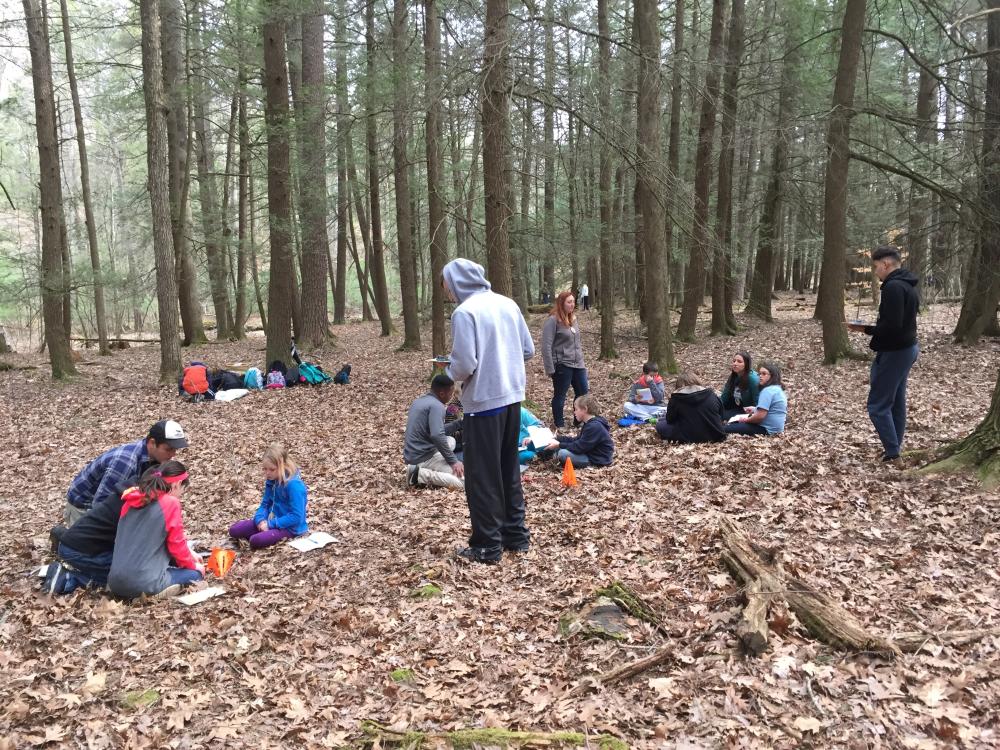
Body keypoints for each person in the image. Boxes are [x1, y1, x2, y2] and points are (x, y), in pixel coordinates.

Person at [443, 257, 535, 565]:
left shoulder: (464, 312)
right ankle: (516, 536)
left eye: (445, 282)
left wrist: (449, 368)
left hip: (483, 403)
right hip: (512, 399)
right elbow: (528, 350)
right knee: (508, 468)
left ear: (457, 282)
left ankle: (487, 545)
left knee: (482, 476)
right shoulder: (507, 304)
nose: (444, 288)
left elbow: (465, 364)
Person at [847, 245, 920, 461]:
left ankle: (893, 452)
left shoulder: (894, 287)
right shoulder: (907, 285)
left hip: (896, 351)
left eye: (877, 266)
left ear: (886, 264)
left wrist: (865, 329)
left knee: (877, 405)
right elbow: (898, 322)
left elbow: (893, 326)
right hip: (906, 348)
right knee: (896, 400)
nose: (876, 271)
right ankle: (894, 447)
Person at [63, 419, 189, 527]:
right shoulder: (125, 461)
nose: (173, 454)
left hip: (108, 503)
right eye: (168, 449)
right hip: (83, 507)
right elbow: (101, 505)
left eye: (175, 450)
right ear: (152, 443)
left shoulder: (155, 458)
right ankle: (61, 537)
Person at [107, 461, 204, 599]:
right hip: (144, 583)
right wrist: (193, 566)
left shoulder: (130, 501)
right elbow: (176, 545)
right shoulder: (170, 503)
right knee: (196, 575)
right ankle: (152, 593)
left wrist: (190, 553)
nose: (180, 496)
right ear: (176, 484)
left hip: (115, 583)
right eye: (181, 491)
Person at [229, 444, 309, 548]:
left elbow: (296, 516)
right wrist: (260, 519)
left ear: (283, 466)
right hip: (270, 520)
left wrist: (270, 525)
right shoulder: (272, 480)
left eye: (271, 469)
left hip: (289, 528)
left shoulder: (294, 486)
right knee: (234, 530)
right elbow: (265, 504)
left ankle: (265, 536)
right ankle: (264, 534)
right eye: (265, 469)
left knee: (255, 541)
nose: (267, 473)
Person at [402, 375, 465, 489]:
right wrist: (454, 462)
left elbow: (437, 431)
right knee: (465, 481)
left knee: (450, 440)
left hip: (412, 454)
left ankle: (422, 468)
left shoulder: (419, 401)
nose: (451, 396)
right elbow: (437, 435)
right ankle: (418, 474)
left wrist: (459, 423)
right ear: (442, 393)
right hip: (422, 457)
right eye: (450, 393)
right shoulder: (437, 406)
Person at [541, 291, 589, 428]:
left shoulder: (573, 319)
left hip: (578, 363)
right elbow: (546, 346)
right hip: (562, 364)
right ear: (561, 303)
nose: (572, 304)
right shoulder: (553, 320)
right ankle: (559, 424)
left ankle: (578, 421)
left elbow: (577, 342)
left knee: (583, 392)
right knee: (560, 395)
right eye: (569, 302)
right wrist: (550, 368)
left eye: (573, 301)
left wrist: (581, 360)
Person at [541, 395, 614, 468]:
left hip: (597, 459)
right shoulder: (589, 423)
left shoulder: (594, 426)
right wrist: (558, 438)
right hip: (589, 453)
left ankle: (553, 455)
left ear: (585, 409)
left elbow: (579, 447)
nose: (574, 412)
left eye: (576, 409)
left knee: (563, 453)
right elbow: (577, 440)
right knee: (557, 444)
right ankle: (545, 455)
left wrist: (559, 445)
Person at [655, 372, 726, 444]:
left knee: (660, 425)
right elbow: (721, 415)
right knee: (662, 420)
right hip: (715, 435)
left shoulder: (676, 398)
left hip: (688, 436)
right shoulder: (711, 395)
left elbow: (670, 419)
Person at [724, 362, 787, 437]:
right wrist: (754, 409)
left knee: (726, 428)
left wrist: (745, 420)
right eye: (759, 374)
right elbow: (772, 410)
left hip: (766, 429)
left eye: (764, 374)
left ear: (772, 376)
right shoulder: (777, 389)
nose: (760, 376)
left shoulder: (767, 391)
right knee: (734, 422)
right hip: (777, 429)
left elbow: (760, 417)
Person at [720, 351, 760, 420]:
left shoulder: (753, 379)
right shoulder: (734, 376)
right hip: (735, 404)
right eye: (734, 361)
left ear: (746, 364)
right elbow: (725, 396)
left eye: (739, 361)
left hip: (747, 410)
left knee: (720, 416)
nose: (735, 363)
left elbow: (758, 402)